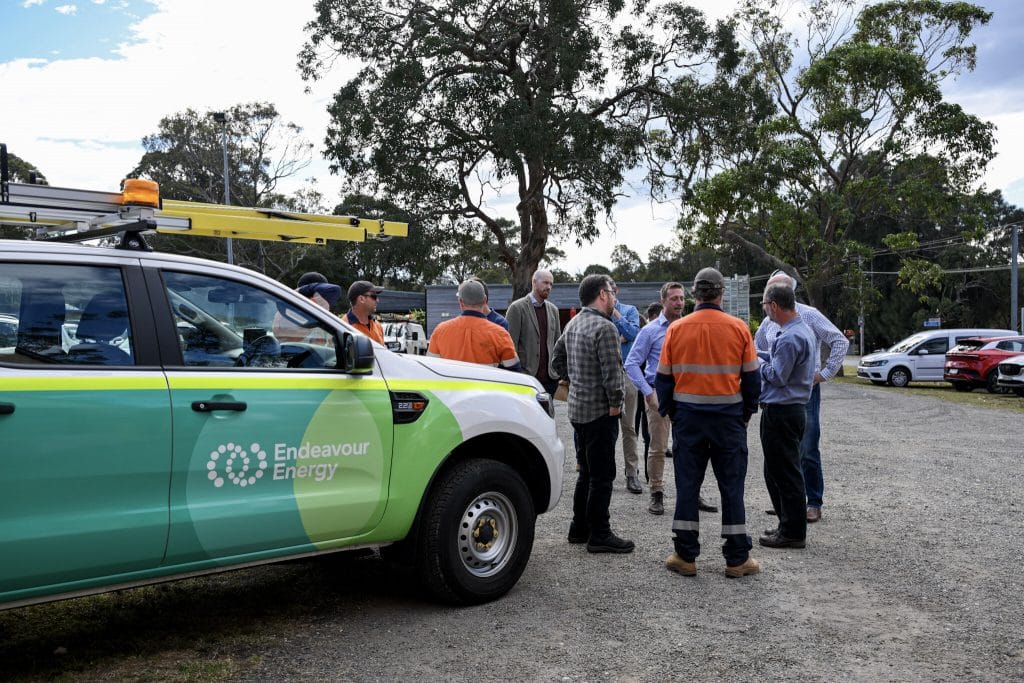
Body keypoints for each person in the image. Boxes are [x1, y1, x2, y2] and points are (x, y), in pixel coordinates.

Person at [655, 267, 761, 578]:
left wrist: (674, 412)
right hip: (729, 421)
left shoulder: (676, 329)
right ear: (720, 293)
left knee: (687, 487)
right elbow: (752, 380)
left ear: (694, 294)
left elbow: (663, 380)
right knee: (732, 488)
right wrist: (745, 413)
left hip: (688, 419)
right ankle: (737, 559)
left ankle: (685, 556)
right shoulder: (739, 328)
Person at [755, 269, 849, 523]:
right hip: (776, 396)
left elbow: (839, 340)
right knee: (782, 453)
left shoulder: (808, 316)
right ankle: (789, 502)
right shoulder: (768, 323)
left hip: (801, 390)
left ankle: (813, 502)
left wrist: (825, 373)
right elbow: (758, 349)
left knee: (806, 448)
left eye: (776, 289)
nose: (769, 296)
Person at [553, 273, 634, 554]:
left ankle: (578, 528)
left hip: (577, 409)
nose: (615, 297)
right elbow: (614, 374)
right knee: (602, 475)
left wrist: (573, 379)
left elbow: (556, 360)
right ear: (602, 294)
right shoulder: (606, 327)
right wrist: (616, 403)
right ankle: (600, 533)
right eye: (612, 291)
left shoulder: (573, 322)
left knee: (586, 472)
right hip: (601, 411)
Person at [625, 282, 719, 516]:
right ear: (663, 300)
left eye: (681, 298)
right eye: (674, 298)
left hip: (688, 396)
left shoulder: (692, 327)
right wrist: (647, 391)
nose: (679, 302)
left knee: (691, 447)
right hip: (659, 395)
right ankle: (656, 493)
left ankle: (692, 493)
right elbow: (631, 363)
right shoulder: (650, 331)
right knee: (657, 448)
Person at [757, 282, 817, 549]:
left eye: (765, 305)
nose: (765, 310)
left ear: (774, 305)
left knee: (786, 473)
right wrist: (760, 353)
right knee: (777, 470)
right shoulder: (797, 330)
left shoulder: (791, 337)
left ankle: (792, 532)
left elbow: (778, 376)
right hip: (789, 410)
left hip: (782, 411)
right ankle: (787, 524)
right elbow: (778, 357)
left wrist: (757, 363)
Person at [427, 279, 523, 370]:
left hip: (450, 387)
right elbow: (514, 370)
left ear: (461, 302)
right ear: (485, 300)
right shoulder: (500, 333)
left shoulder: (440, 331)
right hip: (486, 386)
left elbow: (431, 367)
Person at [506, 269, 561, 394]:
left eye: (551, 284)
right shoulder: (517, 308)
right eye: (545, 283)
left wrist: (558, 372)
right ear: (534, 282)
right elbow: (509, 344)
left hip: (550, 380)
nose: (549, 287)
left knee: (548, 414)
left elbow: (558, 343)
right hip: (527, 378)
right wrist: (518, 373)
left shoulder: (554, 310)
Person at [610, 284, 642, 494]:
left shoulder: (630, 310)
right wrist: (618, 337)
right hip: (607, 374)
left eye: (610, 291)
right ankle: (606, 474)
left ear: (616, 291)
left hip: (628, 374)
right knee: (606, 428)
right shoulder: (597, 314)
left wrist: (615, 314)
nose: (608, 296)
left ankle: (632, 473)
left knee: (629, 427)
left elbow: (633, 333)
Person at [273, 271, 341, 343]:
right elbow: (334, 290)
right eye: (317, 294)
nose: (323, 299)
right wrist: (298, 292)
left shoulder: (293, 309)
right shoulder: (290, 311)